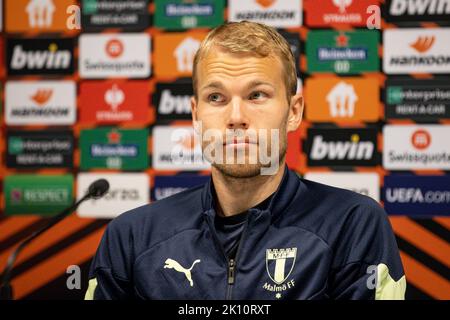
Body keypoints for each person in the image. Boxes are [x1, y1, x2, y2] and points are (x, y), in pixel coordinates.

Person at [85, 21, 406, 300]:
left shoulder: (352, 225)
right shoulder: (131, 236)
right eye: (216, 98)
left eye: (256, 95)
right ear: (196, 115)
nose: (236, 117)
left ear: (294, 112)